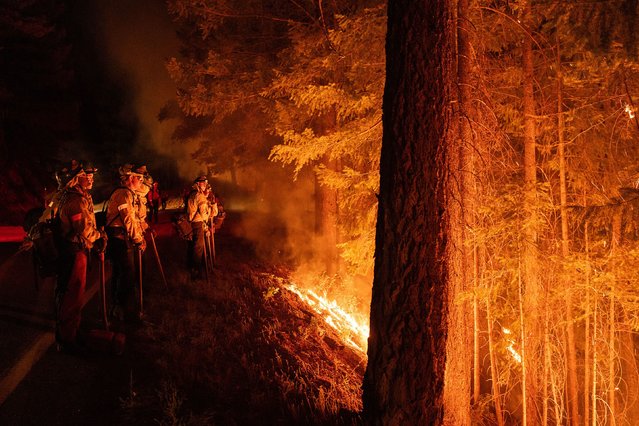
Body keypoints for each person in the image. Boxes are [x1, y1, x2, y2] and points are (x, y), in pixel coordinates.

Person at [54, 160, 106, 352]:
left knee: (72, 294)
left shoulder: (78, 196)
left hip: (74, 251)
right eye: (87, 176)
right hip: (73, 252)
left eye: (92, 175)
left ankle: (72, 332)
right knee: (72, 295)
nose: (91, 179)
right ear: (76, 179)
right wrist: (99, 236)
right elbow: (83, 228)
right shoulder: (75, 200)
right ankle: (67, 340)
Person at [105, 164, 147, 321]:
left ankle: (118, 308)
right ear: (130, 178)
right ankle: (124, 310)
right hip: (119, 240)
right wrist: (138, 239)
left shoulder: (129, 193)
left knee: (121, 274)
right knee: (126, 275)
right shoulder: (123, 194)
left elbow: (134, 219)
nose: (142, 182)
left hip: (121, 239)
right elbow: (128, 218)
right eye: (140, 178)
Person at [186, 175, 213, 279]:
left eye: (206, 182)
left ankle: (191, 266)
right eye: (203, 182)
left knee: (193, 246)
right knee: (198, 247)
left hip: (193, 222)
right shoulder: (199, 195)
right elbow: (204, 214)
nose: (205, 184)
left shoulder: (195, 194)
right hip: (198, 223)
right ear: (197, 184)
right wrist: (209, 209)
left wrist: (205, 196)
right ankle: (195, 271)